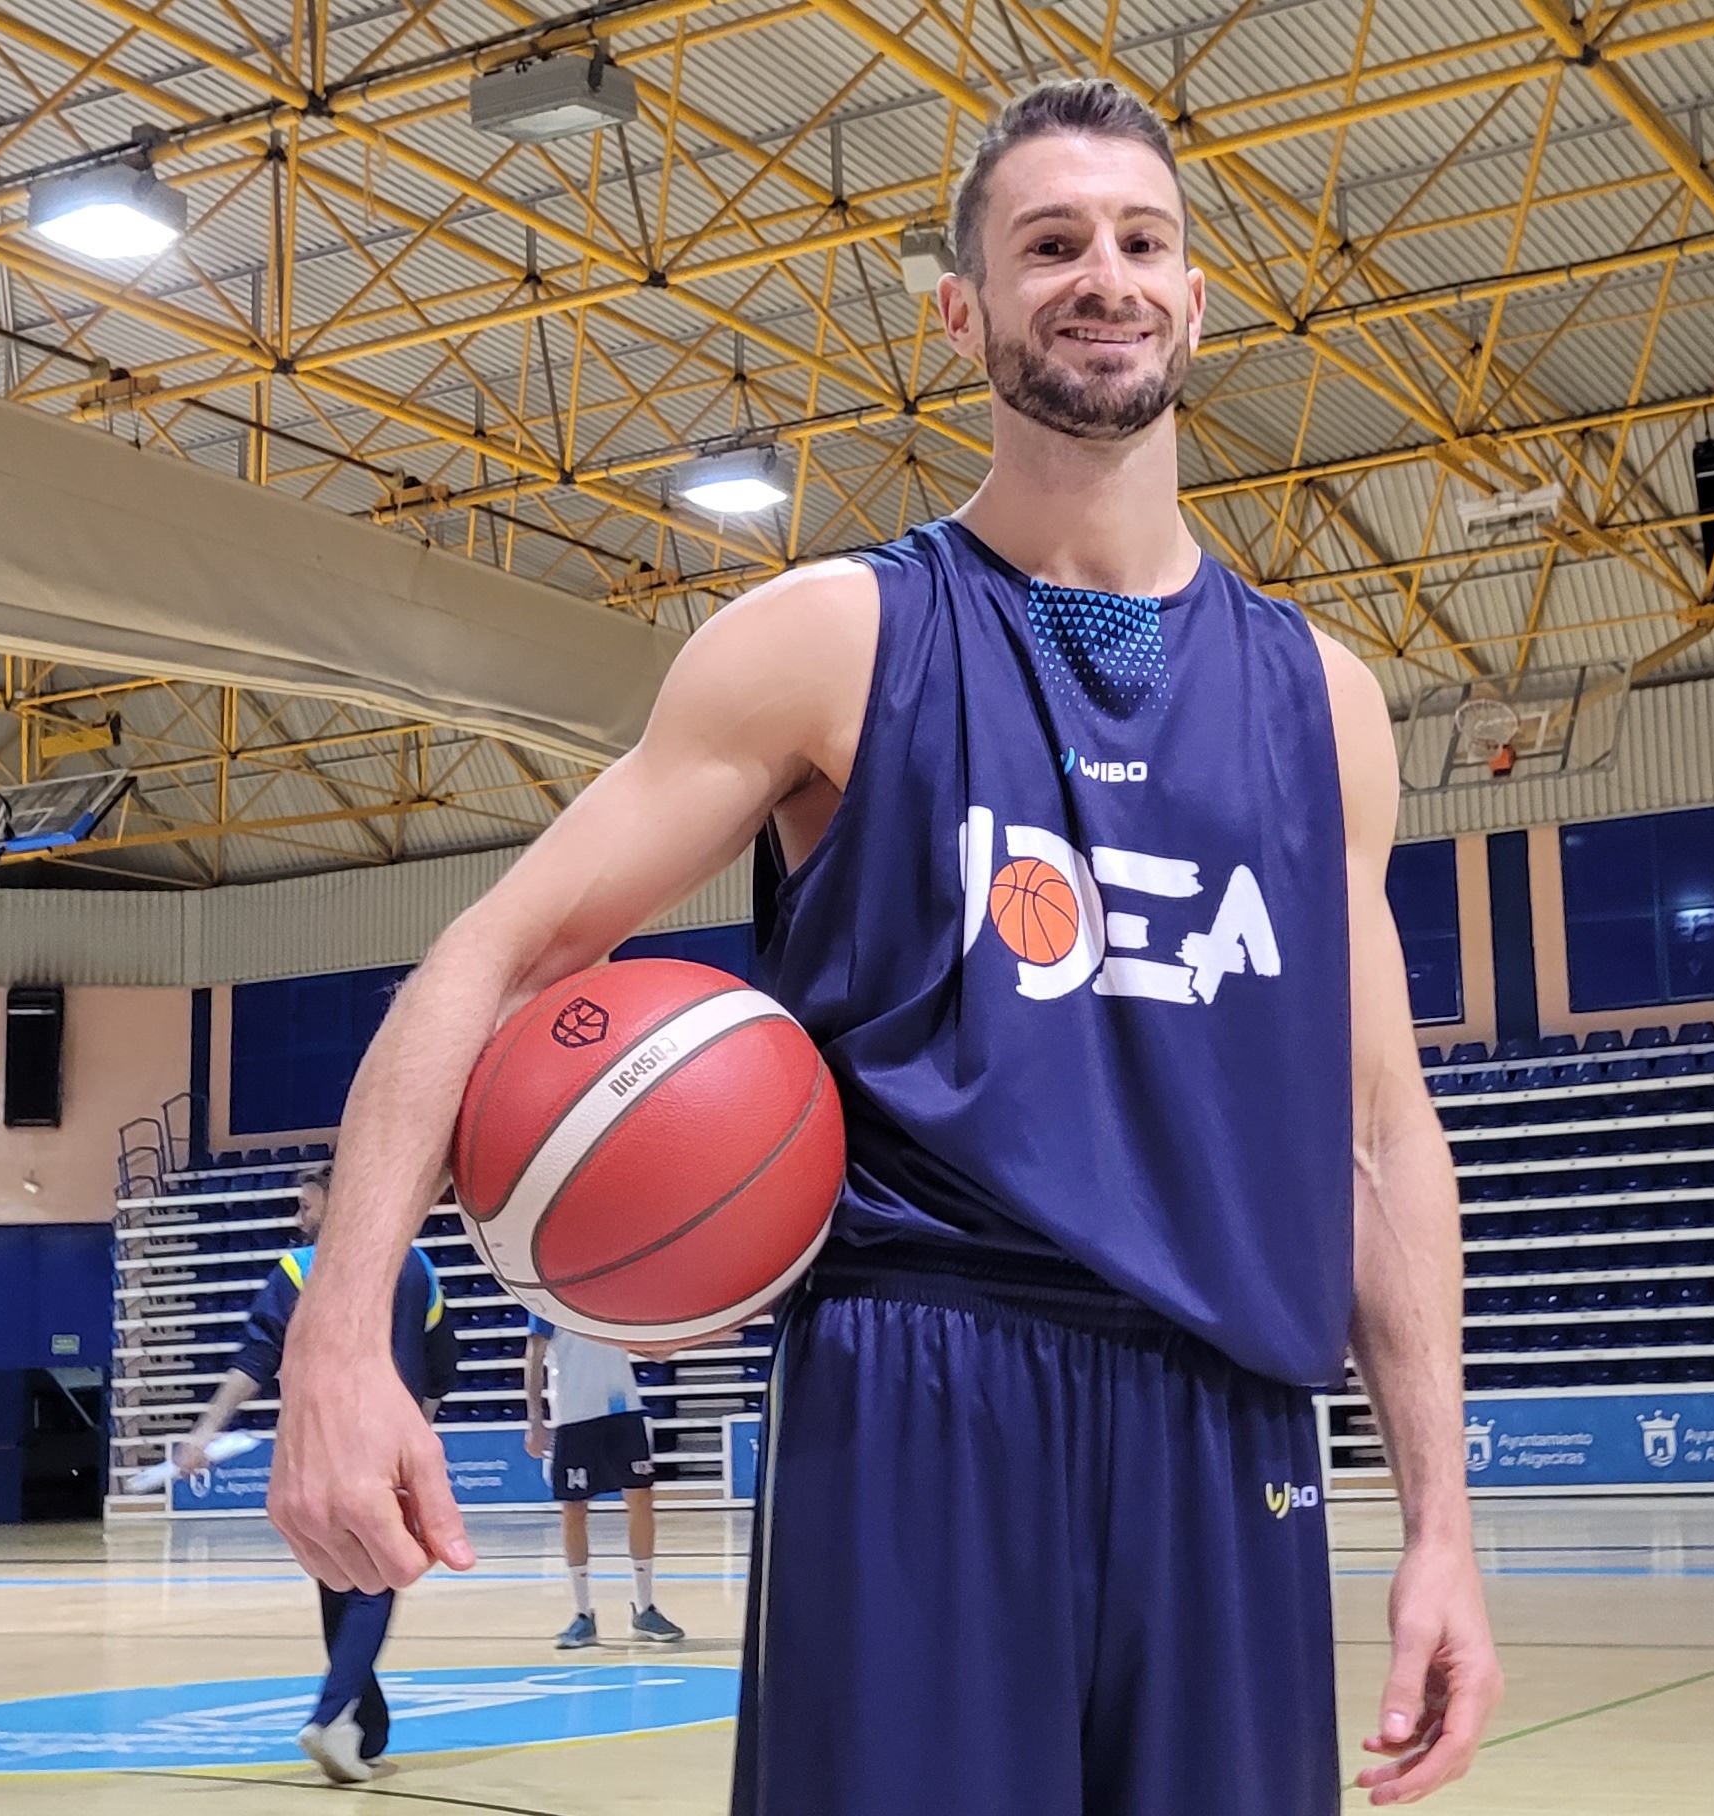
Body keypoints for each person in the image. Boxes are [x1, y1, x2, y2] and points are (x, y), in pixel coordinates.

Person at [269, 77, 1498, 1813]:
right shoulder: (833, 640)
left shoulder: (1326, 704)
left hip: (1231, 1424)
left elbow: (1377, 1136)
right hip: (919, 1386)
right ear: (961, 309)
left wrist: (1441, 1526)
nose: (1103, 276)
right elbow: (495, 956)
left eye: (1142, 242)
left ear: (1197, 299)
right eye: (1049, 243)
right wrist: (340, 1343)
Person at [169, 1169, 460, 1783]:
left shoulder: (300, 1270)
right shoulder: (419, 1268)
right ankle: (338, 1717)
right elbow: (439, 1374)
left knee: (345, 1584)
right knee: (370, 1584)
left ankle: (359, 1723)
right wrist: (415, 1440)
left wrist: (205, 1429)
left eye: (307, 1205)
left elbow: (256, 1359)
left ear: (338, 1200)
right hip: (382, 1455)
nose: (299, 1218)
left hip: (322, 1455)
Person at [524, 1315, 684, 1648]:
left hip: (622, 1408)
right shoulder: (545, 1298)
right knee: (574, 1510)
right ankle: (582, 1614)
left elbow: (644, 1346)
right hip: (573, 1416)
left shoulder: (608, 1290)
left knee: (641, 1498)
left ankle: (645, 1608)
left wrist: (670, 1344)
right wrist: (535, 1419)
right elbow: (534, 1355)